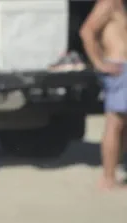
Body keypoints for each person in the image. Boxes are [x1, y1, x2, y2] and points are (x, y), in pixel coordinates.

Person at [81, 0, 127, 189]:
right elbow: (86, 31)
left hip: (122, 68)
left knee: (122, 124)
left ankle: (113, 173)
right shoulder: (109, 3)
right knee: (115, 122)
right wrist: (99, 63)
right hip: (119, 68)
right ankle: (107, 178)